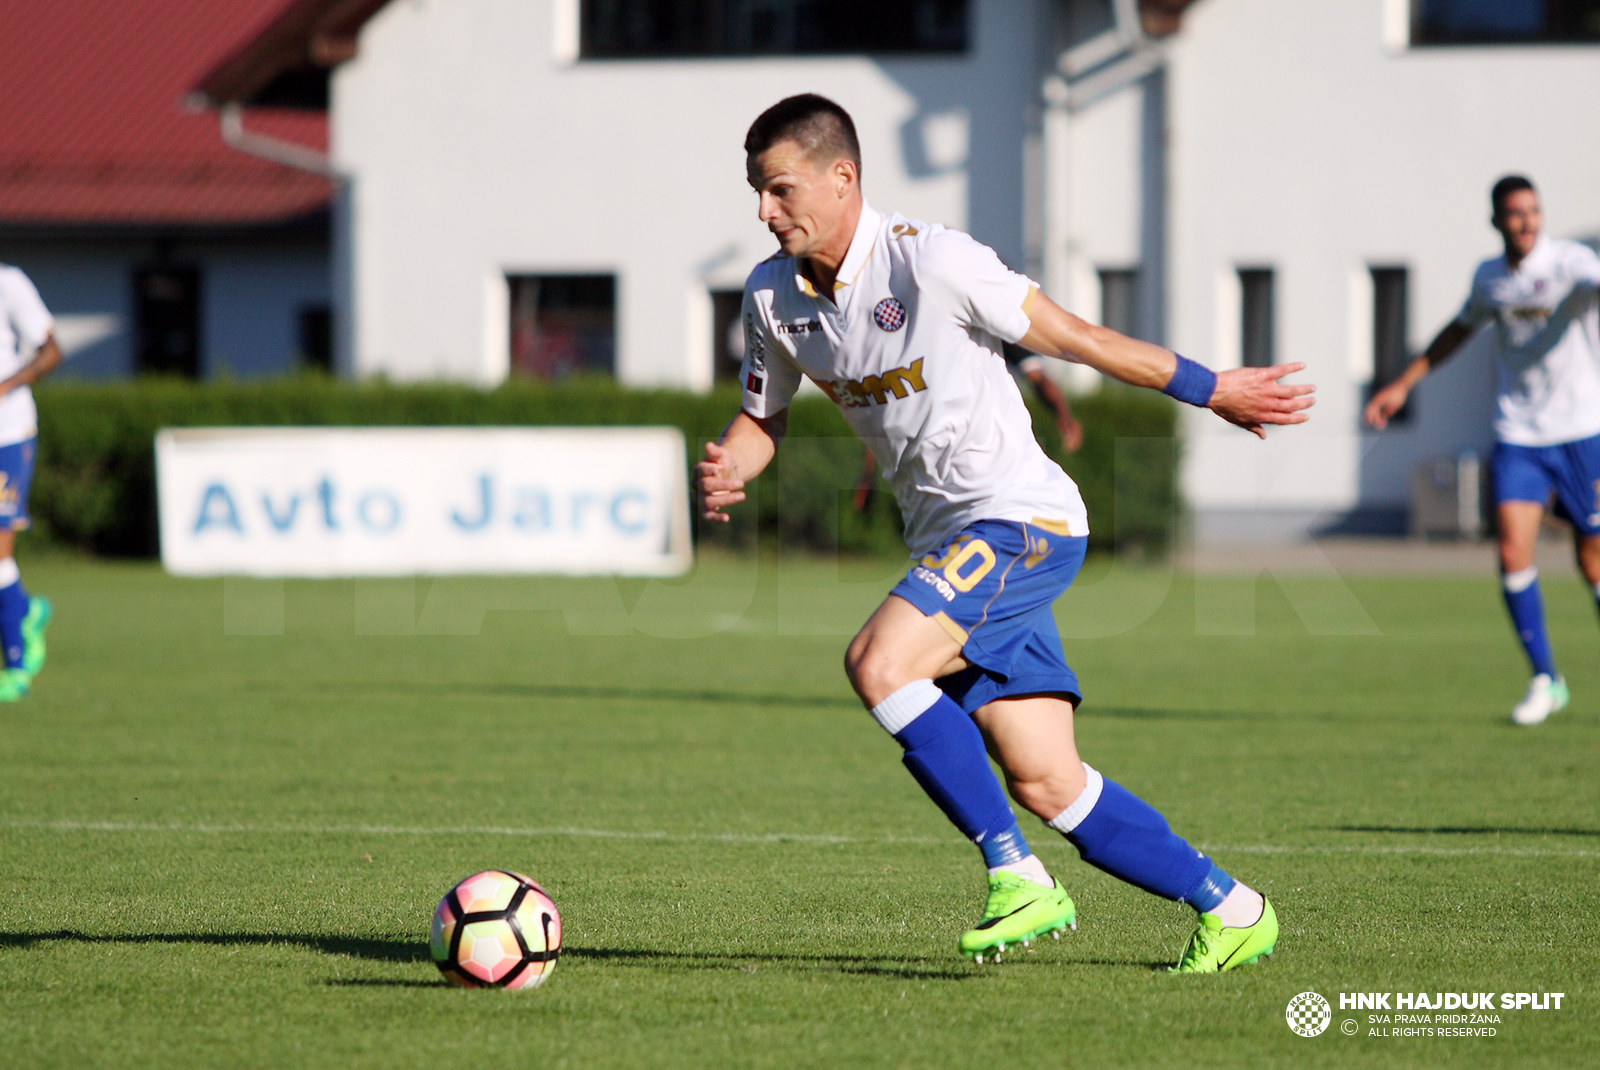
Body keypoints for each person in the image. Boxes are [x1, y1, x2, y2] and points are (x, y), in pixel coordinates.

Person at [699, 94, 1314, 970]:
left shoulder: (935, 261)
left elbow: (1077, 337)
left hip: (1022, 520)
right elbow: (764, 416)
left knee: (879, 664)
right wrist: (734, 462)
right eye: (756, 192)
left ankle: (1015, 874)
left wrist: (1212, 387)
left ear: (844, 178)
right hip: (947, 544)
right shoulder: (771, 296)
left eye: (780, 188)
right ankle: (1235, 907)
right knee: (1046, 779)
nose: (764, 211)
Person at [1365, 176, 1600, 726]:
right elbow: (1460, 329)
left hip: (1582, 432)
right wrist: (1404, 383)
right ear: (1497, 220)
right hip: (1518, 433)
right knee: (1513, 551)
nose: (1526, 222)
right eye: (1515, 214)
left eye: (1533, 212)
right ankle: (1546, 678)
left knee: (1592, 556)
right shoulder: (1489, 278)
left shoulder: (1569, 263)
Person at [0, 265, 59, 701]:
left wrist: (6, 386)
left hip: (7, 434)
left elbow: (50, 351)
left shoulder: (10, 282)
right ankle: (24, 609)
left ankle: (17, 667)